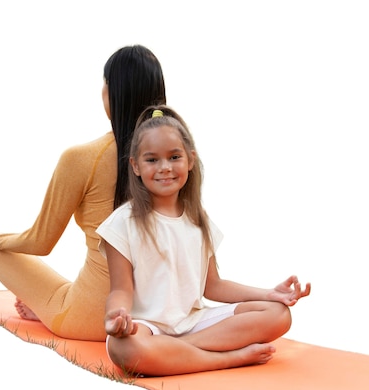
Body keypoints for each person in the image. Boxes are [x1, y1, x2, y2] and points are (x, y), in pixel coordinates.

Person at [0, 45, 167, 341]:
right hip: (160, 317)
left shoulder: (82, 158)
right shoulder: (173, 161)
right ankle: (48, 303)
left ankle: (44, 309)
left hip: (91, 320)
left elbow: (40, 242)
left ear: (111, 92)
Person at [95, 105, 311, 376]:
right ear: (135, 166)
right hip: (148, 327)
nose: (165, 168)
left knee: (279, 314)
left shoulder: (199, 220)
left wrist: (269, 293)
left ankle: (175, 350)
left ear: (190, 160)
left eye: (174, 157)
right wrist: (115, 317)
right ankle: (229, 358)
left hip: (193, 323)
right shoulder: (122, 222)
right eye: (152, 160)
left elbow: (213, 286)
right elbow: (121, 290)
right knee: (121, 348)